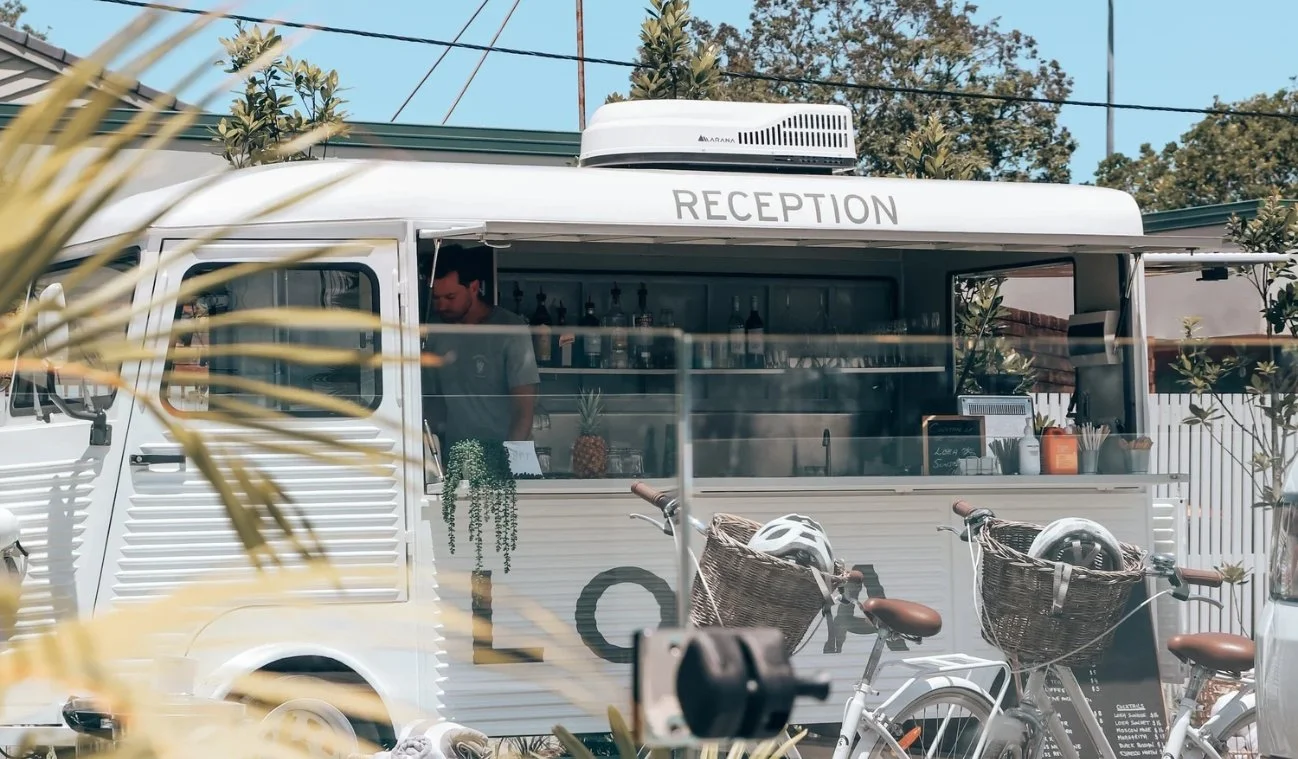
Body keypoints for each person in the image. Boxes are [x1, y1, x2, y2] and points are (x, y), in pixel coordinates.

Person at [422, 245, 539, 453]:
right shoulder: (434, 331)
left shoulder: (510, 330)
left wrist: (508, 461)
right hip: (457, 456)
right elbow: (433, 403)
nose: (441, 306)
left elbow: (523, 411)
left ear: (474, 288)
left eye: (450, 297)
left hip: (506, 453)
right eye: (436, 298)